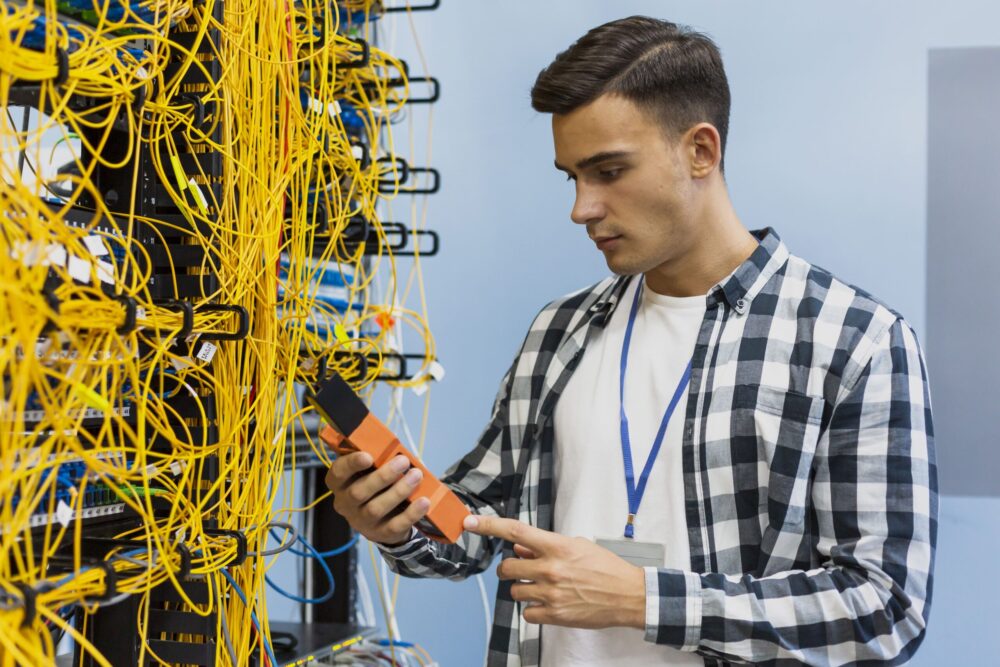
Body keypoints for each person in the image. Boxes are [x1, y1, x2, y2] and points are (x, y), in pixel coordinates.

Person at [324, 15, 936, 667]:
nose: (581, 207)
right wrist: (396, 518)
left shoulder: (854, 341)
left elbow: (884, 609)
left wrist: (643, 598)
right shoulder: (558, 330)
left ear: (701, 150)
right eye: (572, 177)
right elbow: (473, 529)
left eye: (609, 171)